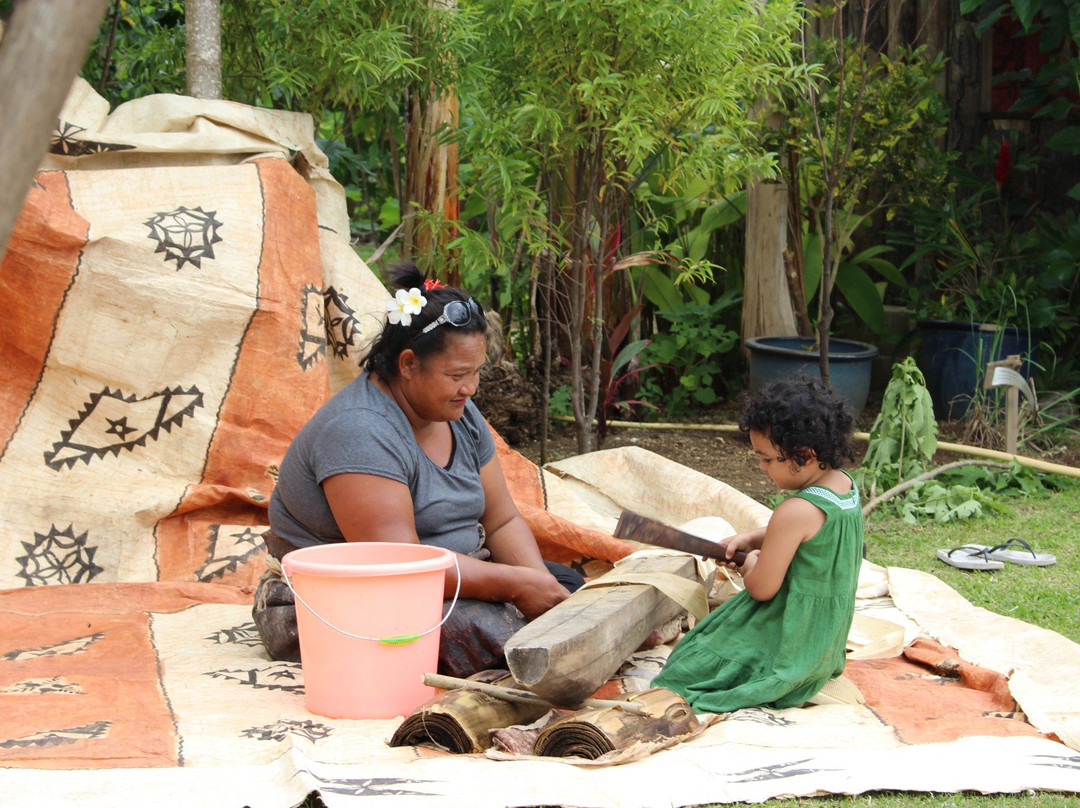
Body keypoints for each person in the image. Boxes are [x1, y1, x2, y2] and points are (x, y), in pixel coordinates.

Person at [253, 262, 582, 677]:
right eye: (458, 375)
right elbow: (401, 564)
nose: (471, 388)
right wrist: (515, 587)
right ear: (408, 364)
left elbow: (501, 520)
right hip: (351, 598)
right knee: (495, 639)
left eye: (476, 372)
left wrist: (538, 590)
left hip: (456, 576)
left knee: (574, 596)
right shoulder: (359, 430)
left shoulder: (459, 412)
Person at [651, 376, 863, 714]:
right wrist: (752, 538)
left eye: (766, 459)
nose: (761, 467)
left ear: (804, 456)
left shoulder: (793, 512)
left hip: (789, 635)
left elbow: (762, 588)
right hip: (823, 640)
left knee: (687, 664)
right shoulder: (845, 488)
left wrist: (752, 563)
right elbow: (813, 533)